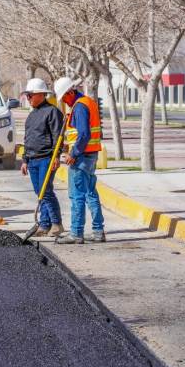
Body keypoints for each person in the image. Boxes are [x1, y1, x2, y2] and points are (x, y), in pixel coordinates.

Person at [53, 77, 106, 244]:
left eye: (64, 97)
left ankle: (76, 232)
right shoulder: (87, 102)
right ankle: (98, 231)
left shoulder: (80, 106)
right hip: (90, 154)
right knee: (91, 193)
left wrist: (73, 153)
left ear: (70, 92)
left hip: (81, 157)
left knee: (77, 195)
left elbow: (83, 134)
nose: (64, 101)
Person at [20, 78, 64, 237]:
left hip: (46, 158)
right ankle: (45, 224)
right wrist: (25, 160)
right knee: (40, 192)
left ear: (41, 94)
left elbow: (58, 136)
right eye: (27, 95)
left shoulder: (52, 112)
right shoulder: (31, 115)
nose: (28, 98)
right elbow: (27, 139)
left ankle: (57, 223)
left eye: (30, 95)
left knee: (46, 192)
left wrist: (56, 156)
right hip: (32, 159)